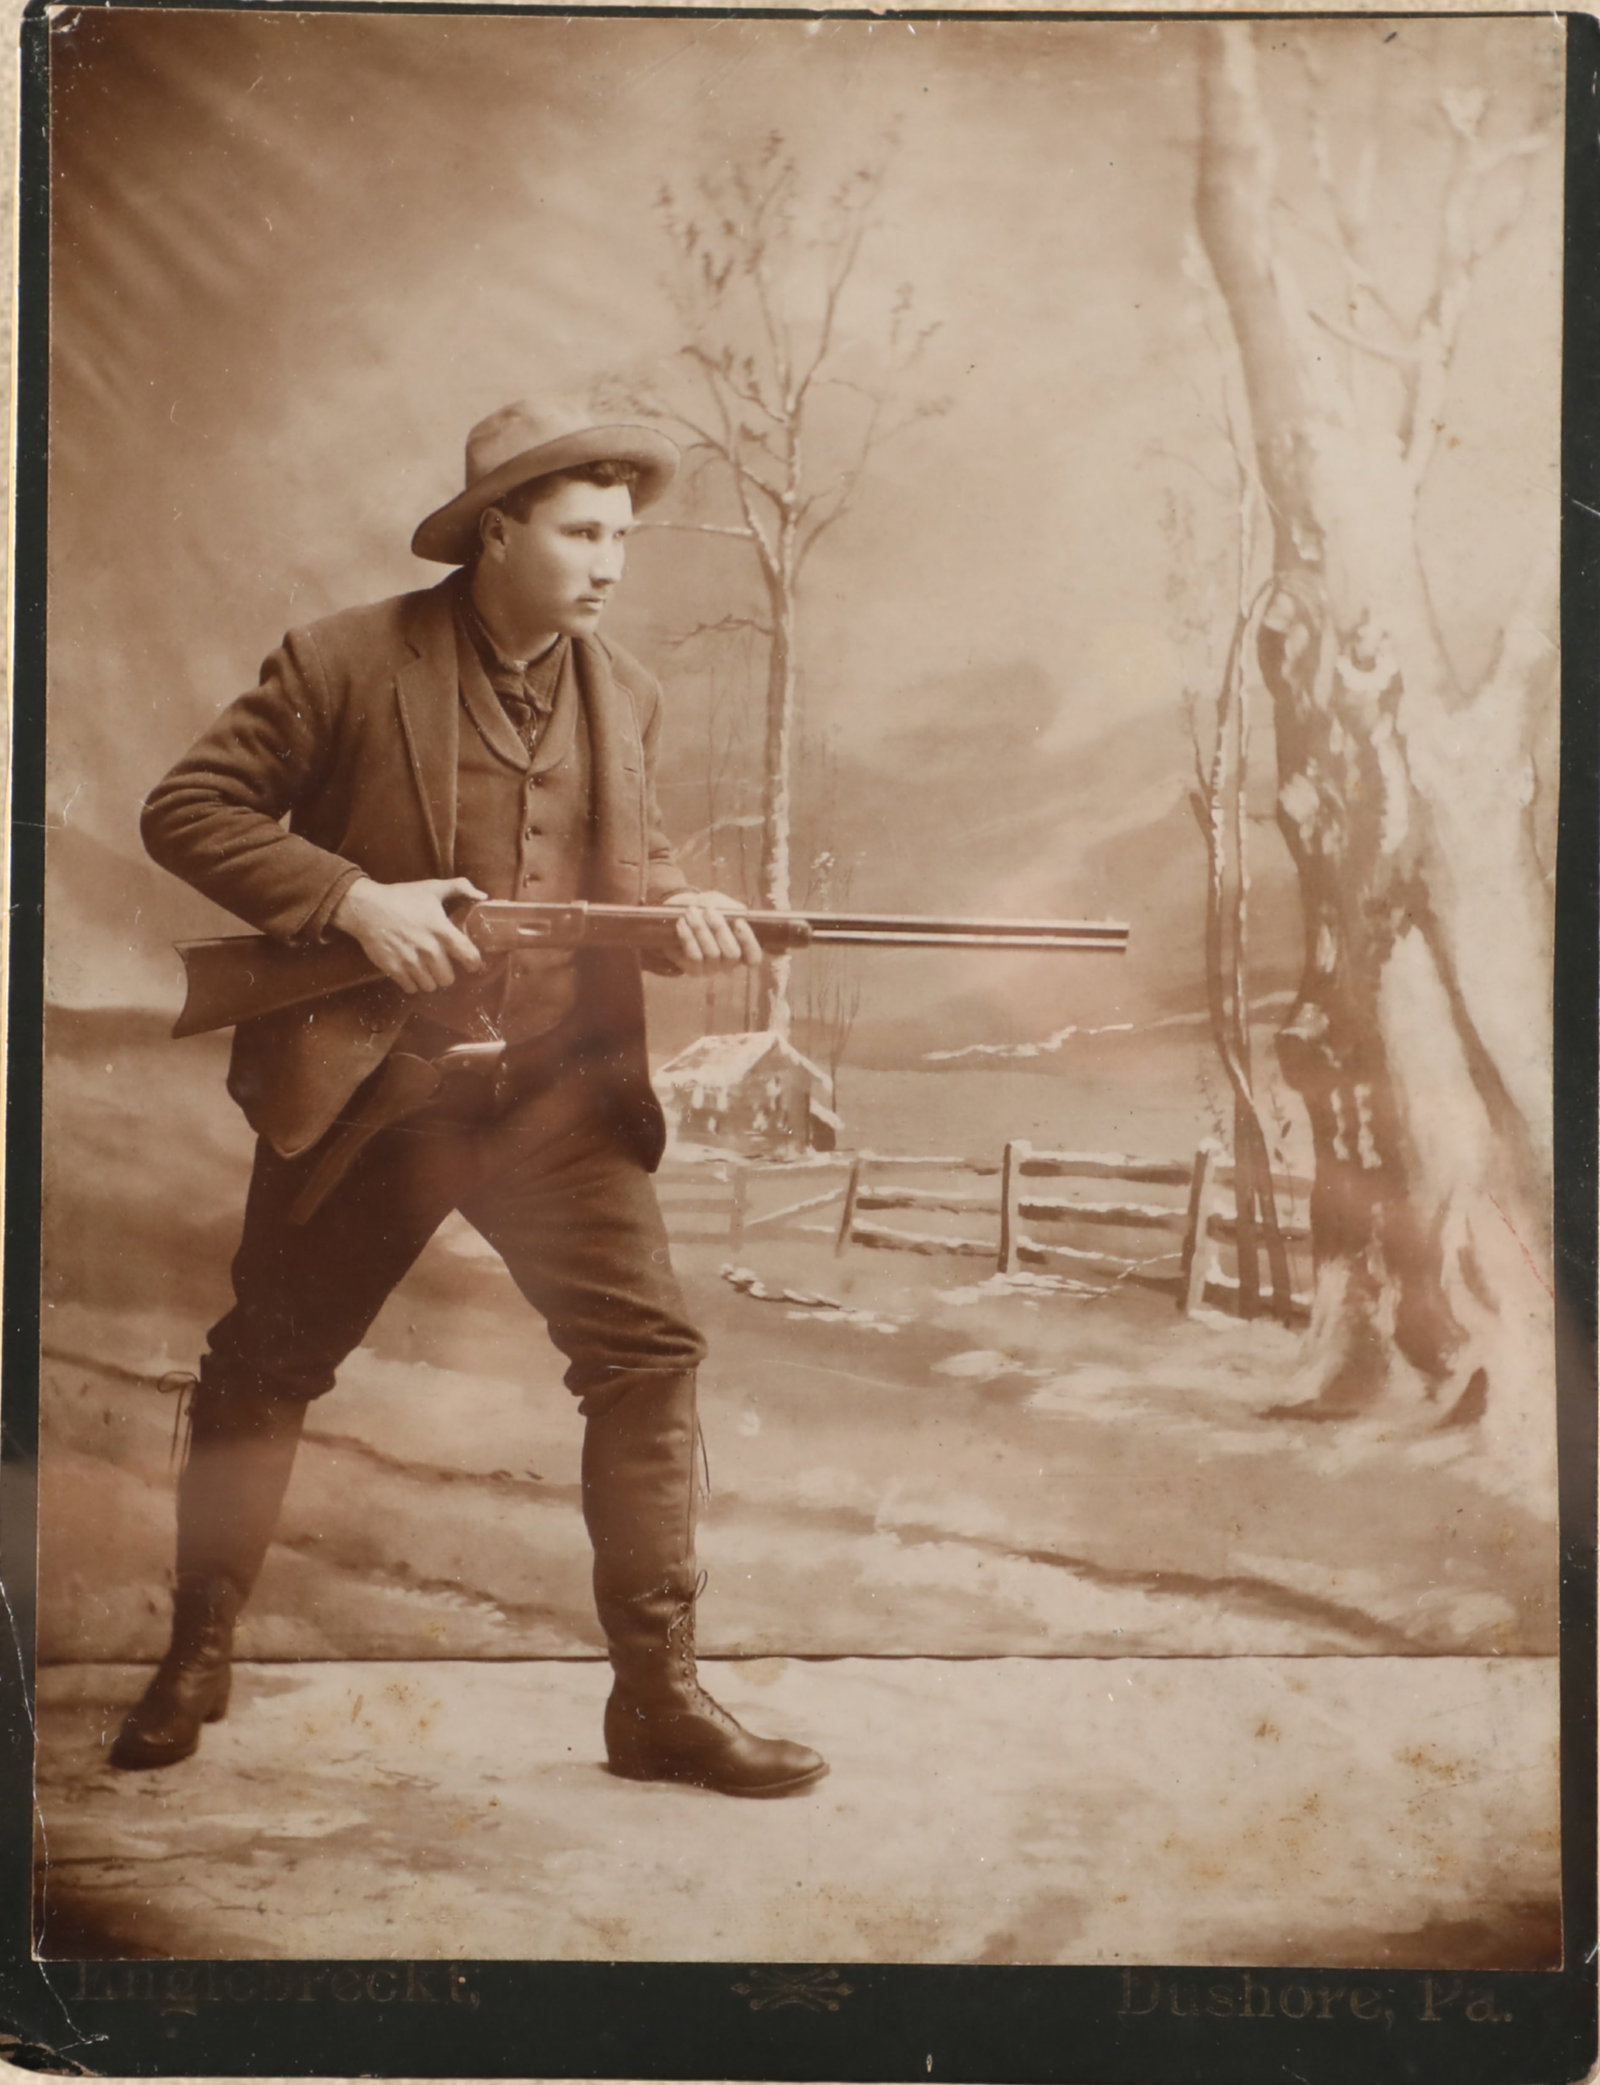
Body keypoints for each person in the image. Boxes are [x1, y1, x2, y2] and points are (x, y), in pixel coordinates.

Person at [110, 398, 828, 1799]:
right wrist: (354, 900)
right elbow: (185, 810)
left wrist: (685, 916)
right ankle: (196, 1654)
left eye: (623, 534)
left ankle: (660, 1700)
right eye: (579, 531)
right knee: (267, 1359)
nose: (611, 561)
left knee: (650, 1355)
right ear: (496, 528)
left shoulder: (628, 691)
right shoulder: (343, 661)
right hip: (384, 1087)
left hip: (559, 1099)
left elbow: (638, 875)